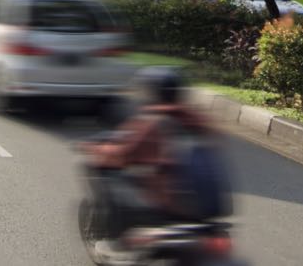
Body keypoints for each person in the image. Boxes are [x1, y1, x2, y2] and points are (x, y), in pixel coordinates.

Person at [83, 67, 230, 258]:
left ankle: (114, 240)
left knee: (112, 180)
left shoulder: (153, 122)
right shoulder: (197, 121)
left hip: (173, 207)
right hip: (211, 213)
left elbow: (124, 154)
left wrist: (95, 150)